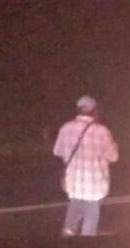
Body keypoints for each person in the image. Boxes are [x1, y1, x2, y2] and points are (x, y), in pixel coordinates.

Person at [52, 95, 119, 236]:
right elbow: (113, 156)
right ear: (94, 111)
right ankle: (87, 247)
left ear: (78, 110)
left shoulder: (66, 128)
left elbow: (58, 151)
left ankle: (67, 239)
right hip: (95, 185)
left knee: (73, 211)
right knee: (90, 221)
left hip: (74, 183)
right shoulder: (102, 131)